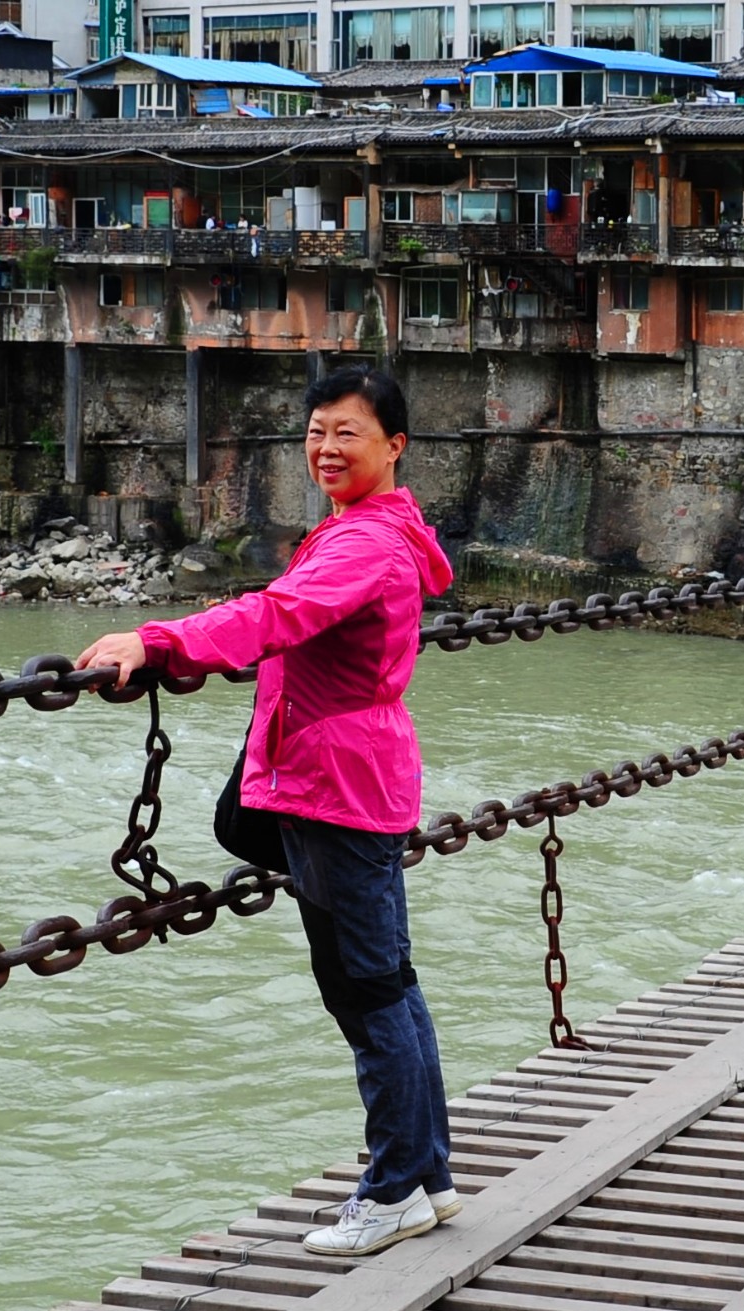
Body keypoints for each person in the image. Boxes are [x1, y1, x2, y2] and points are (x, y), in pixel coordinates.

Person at [76, 368, 459, 1258]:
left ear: (394, 445)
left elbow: (277, 614)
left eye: (348, 433)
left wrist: (159, 640)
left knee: (366, 993)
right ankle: (426, 1176)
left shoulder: (362, 545)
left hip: (336, 789)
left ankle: (396, 1185)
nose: (327, 448)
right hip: (353, 779)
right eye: (318, 431)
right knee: (389, 984)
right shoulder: (373, 529)